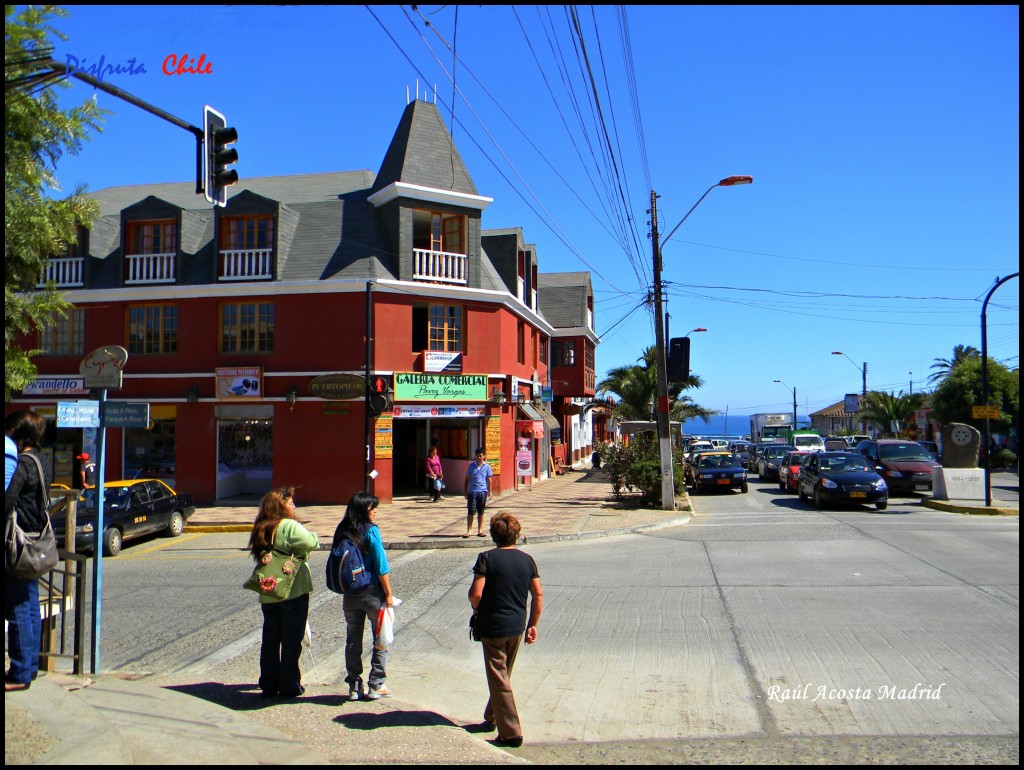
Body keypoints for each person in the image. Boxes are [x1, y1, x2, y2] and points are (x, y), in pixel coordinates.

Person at [468, 512, 544, 748]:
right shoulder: (527, 560)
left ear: (493, 535)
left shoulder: (486, 559)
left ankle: (511, 733)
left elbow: (476, 594)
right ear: (516, 535)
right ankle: (491, 717)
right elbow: (538, 594)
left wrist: (476, 605)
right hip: (517, 626)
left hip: (493, 626)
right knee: (502, 675)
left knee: (499, 678)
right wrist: (533, 624)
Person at [248, 486, 319, 699]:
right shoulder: (288, 525)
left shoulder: (262, 526)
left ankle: (268, 683)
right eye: (291, 503)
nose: (294, 506)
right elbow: (311, 541)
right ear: (281, 506)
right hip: (292, 589)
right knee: (291, 638)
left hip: (269, 590)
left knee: (271, 637)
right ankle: (289, 683)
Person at [5, 410, 50, 692]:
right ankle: (30, 667)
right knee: (31, 605)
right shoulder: (43, 461)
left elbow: (9, 500)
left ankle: (20, 672)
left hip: (20, 542)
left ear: (20, 436)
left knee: (19, 607)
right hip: (37, 541)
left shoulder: (23, 463)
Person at [333, 491, 394, 701]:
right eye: (372, 508)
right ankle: (376, 685)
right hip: (371, 593)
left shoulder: (342, 530)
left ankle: (353, 685)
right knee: (381, 638)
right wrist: (389, 594)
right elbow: (381, 565)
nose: (375, 511)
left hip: (350, 594)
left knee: (352, 640)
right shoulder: (371, 531)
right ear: (362, 510)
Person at [464, 448, 493, 538]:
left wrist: (489, 491)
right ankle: (469, 531)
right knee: (471, 511)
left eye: (480, 456)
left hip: (482, 491)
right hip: (472, 491)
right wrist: (465, 491)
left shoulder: (487, 467)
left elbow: (489, 479)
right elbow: (467, 479)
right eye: (477, 456)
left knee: (481, 511)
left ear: (484, 456)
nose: (479, 457)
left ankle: (480, 530)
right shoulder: (471, 466)